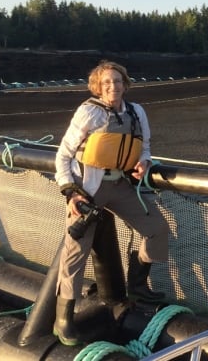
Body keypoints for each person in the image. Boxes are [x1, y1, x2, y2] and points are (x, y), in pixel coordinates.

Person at [53, 60, 170, 346]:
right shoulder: (88, 112)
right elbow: (63, 156)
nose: (112, 87)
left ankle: (138, 288)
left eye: (117, 81)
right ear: (98, 86)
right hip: (90, 190)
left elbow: (146, 148)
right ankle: (63, 316)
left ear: (125, 84)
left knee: (158, 229)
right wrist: (71, 192)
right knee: (75, 251)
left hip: (121, 186)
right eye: (106, 83)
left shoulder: (136, 111)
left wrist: (144, 163)